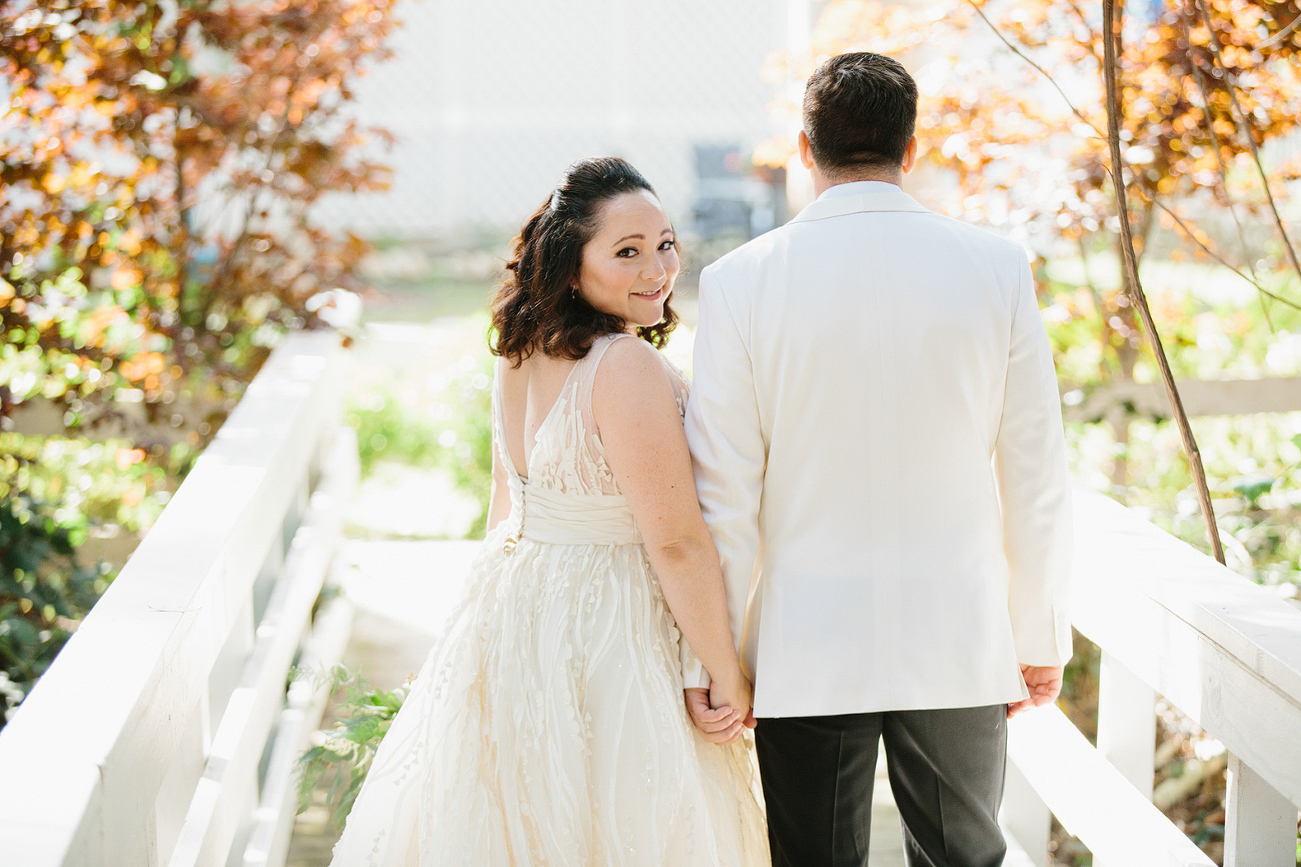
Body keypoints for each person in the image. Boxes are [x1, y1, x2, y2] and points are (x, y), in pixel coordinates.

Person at [682, 53, 1073, 867]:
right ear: (911, 144)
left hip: (802, 639)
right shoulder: (995, 268)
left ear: (801, 146)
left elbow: (722, 492)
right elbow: (1034, 474)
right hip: (957, 631)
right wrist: (1036, 631)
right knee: (963, 858)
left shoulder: (737, 282)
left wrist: (710, 657)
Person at [327, 156, 769, 866]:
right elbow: (677, 541)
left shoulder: (519, 349)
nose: (657, 268)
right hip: (610, 618)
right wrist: (724, 669)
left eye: (664, 243)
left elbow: (506, 506)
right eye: (626, 252)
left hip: (517, 603)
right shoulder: (622, 365)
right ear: (571, 264)